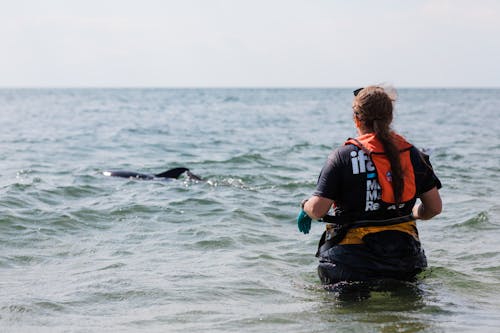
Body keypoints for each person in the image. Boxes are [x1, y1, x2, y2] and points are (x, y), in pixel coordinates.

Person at [297, 86, 442, 285]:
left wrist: (304, 205)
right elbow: (434, 208)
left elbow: (317, 209)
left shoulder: (342, 156)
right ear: (390, 118)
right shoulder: (413, 154)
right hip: (404, 261)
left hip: (349, 264)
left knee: (349, 314)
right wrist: (408, 212)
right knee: (407, 315)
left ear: (356, 119)